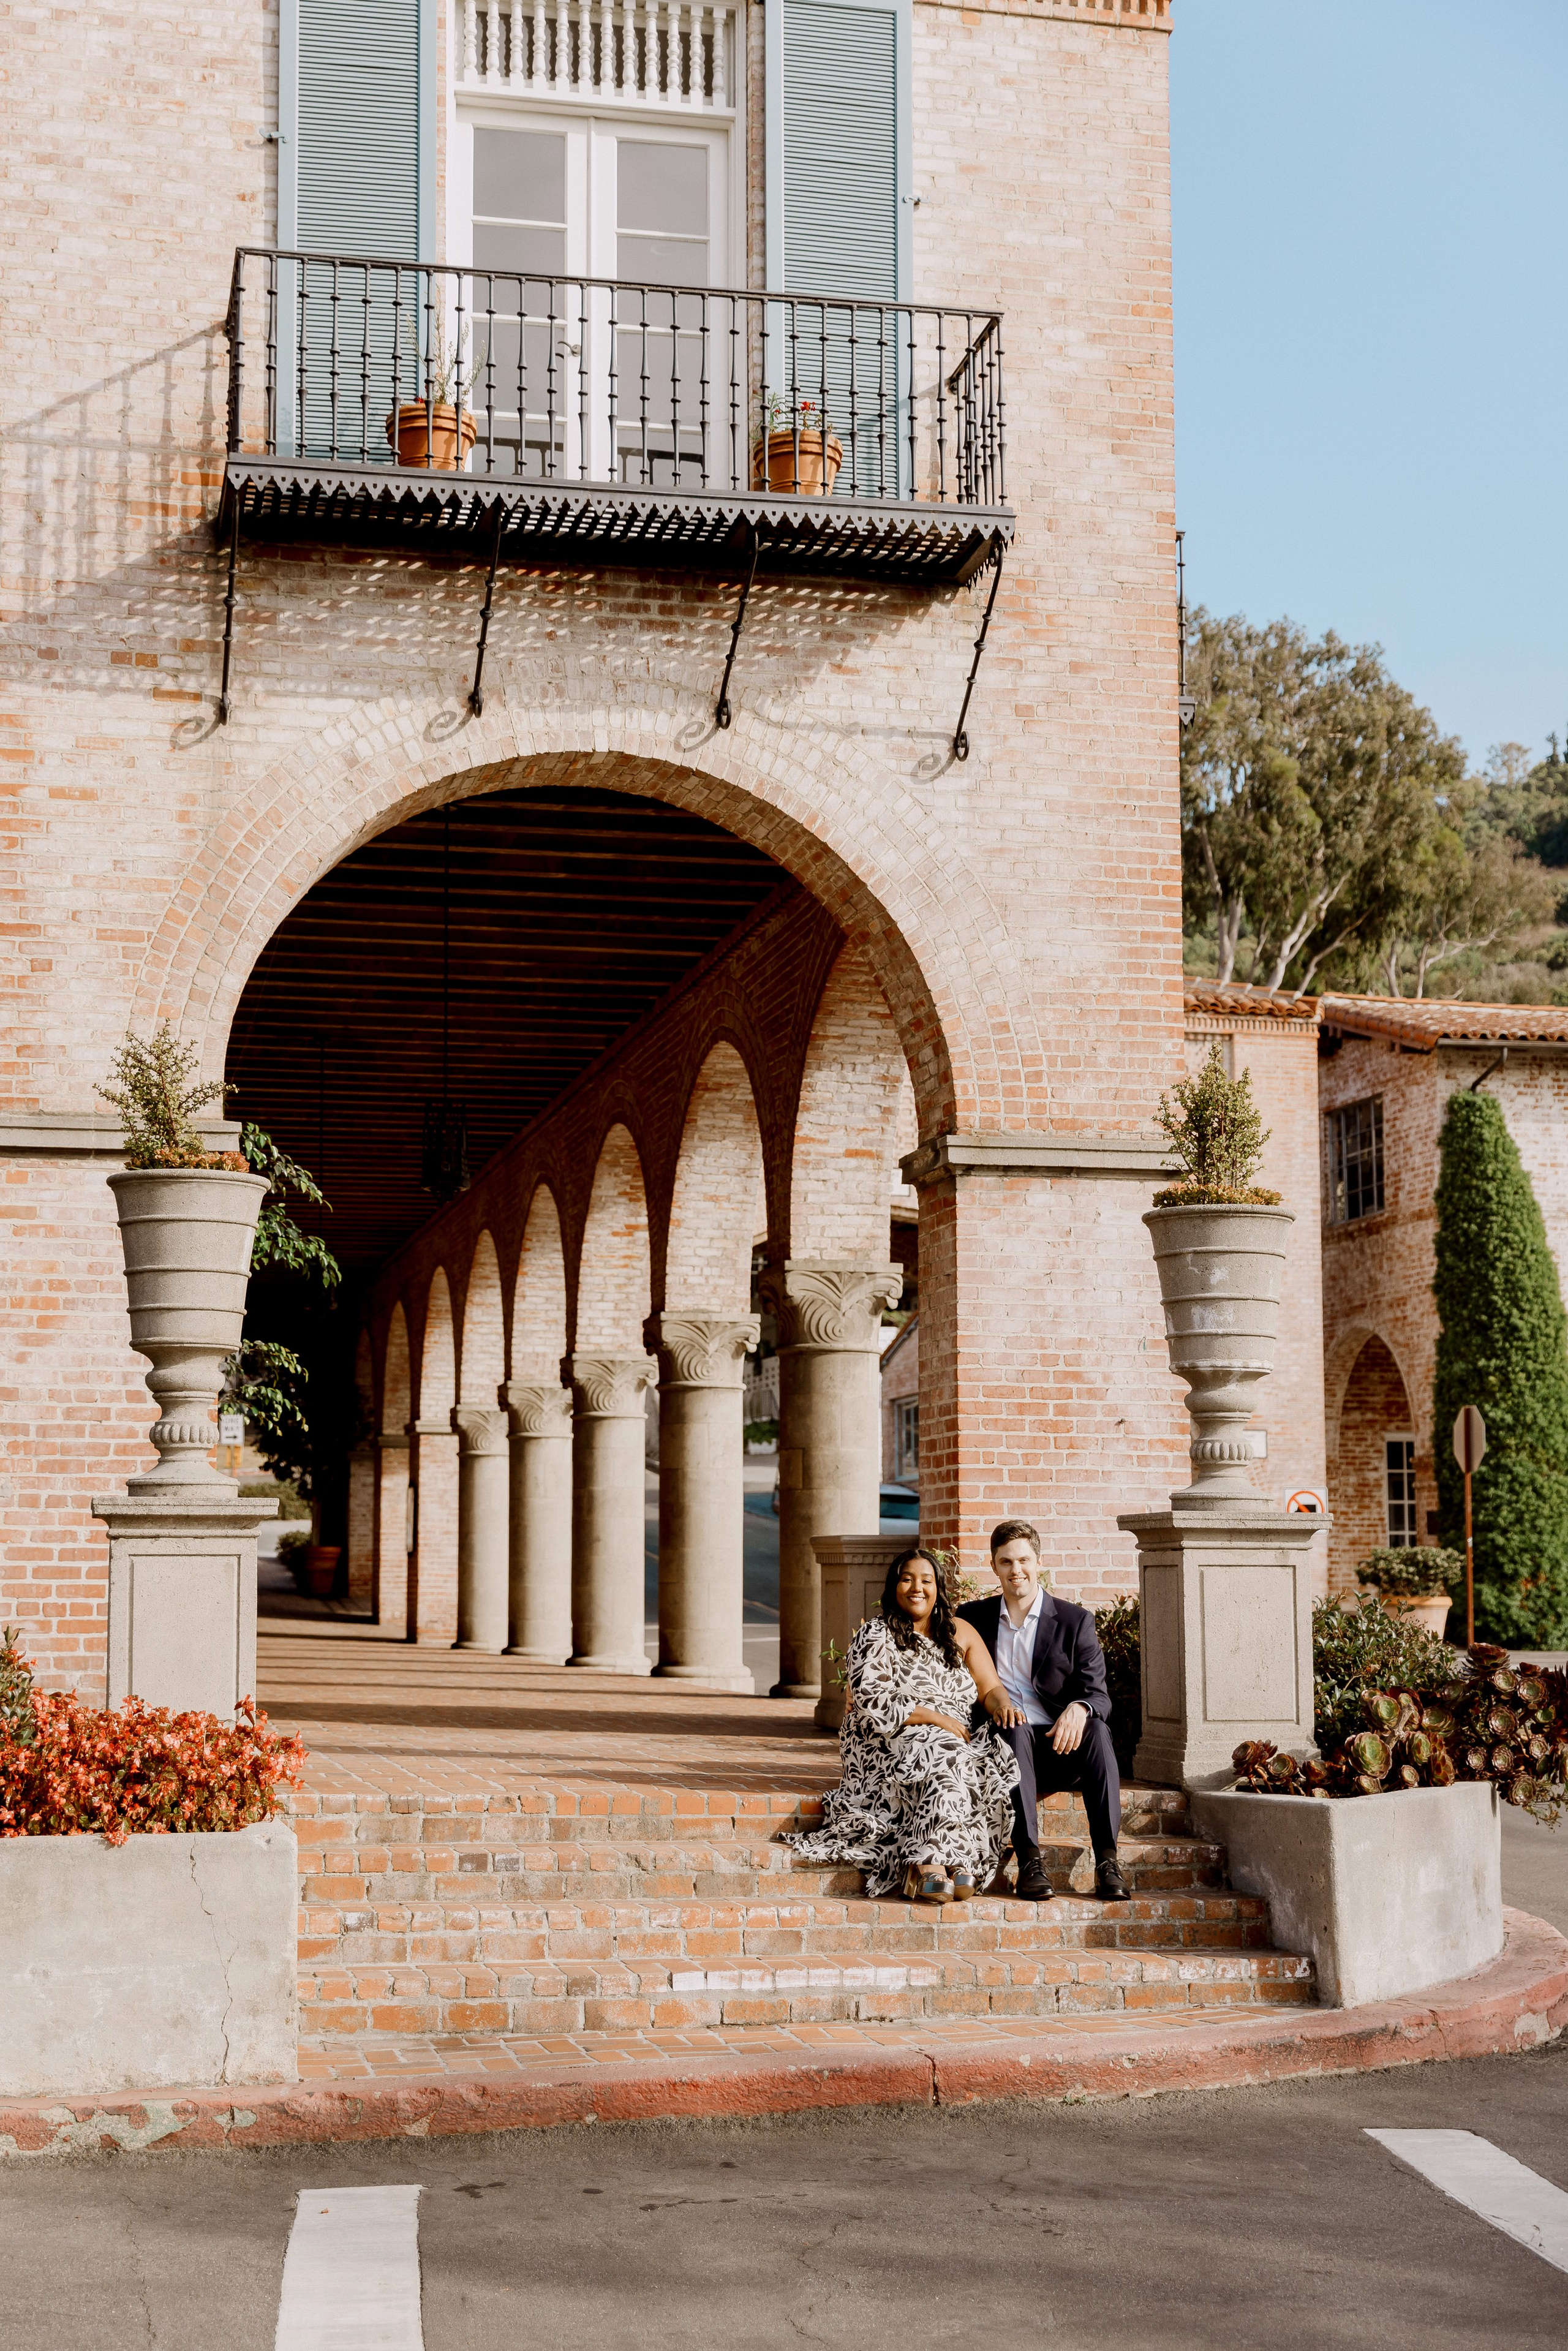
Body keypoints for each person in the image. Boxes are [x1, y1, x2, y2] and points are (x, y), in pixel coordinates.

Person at [780, 1547, 1023, 1902]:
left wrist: (1005, 1706)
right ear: (894, 1586)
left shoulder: (961, 1632)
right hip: (885, 1741)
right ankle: (935, 1863)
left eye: (926, 1580)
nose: (917, 1588)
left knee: (966, 1755)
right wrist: (936, 1718)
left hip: (949, 1738)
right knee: (948, 1752)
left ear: (938, 1587)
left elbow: (991, 1689)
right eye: (907, 1579)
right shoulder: (875, 1634)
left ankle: (939, 1860)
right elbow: (872, 1701)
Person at [957, 1520, 1130, 1903]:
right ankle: (1031, 1862)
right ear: (993, 1566)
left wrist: (1080, 1708)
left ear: (1039, 1563)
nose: (1016, 1570)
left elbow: (1099, 1695)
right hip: (1002, 1745)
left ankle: (1108, 1862)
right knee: (1015, 1725)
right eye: (1006, 1562)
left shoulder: (1074, 1621)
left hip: (1058, 1745)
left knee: (1098, 1731)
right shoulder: (973, 1618)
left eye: (1023, 1560)